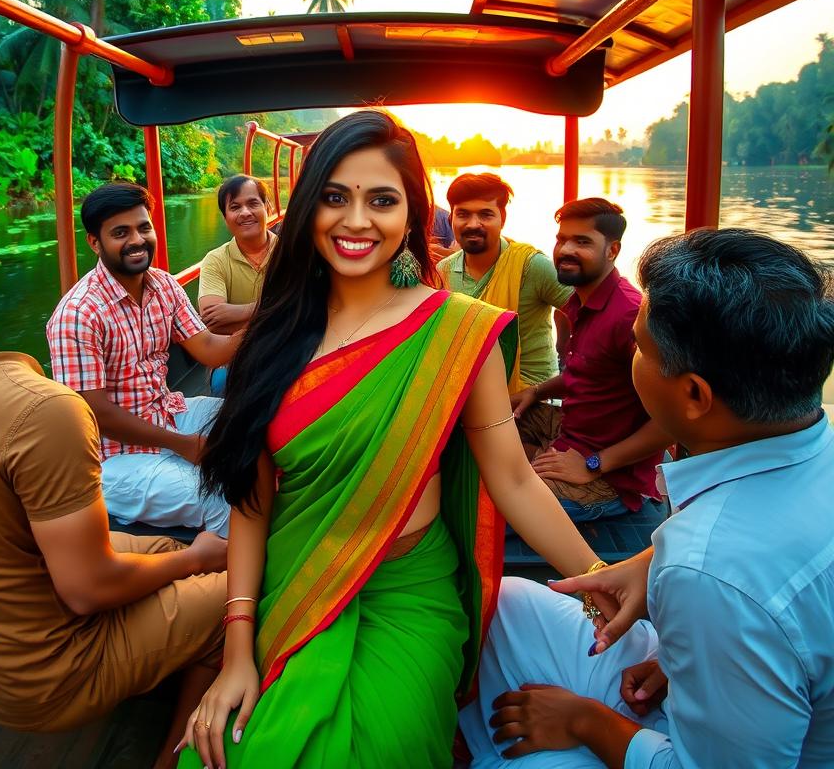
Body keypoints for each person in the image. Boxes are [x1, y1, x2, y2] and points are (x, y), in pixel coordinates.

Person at [176, 111, 615, 769]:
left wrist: (597, 576)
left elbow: (516, 480)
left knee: (381, 750)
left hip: (408, 594)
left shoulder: (455, 333)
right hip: (298, 583)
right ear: (306, 209)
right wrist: (236, 652)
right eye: (334, 197)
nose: (356, 221)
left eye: (381, 200)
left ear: (413, 215)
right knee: (236, 751)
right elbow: (251, 503)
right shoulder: (272, 337)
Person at [461, 228, 834, 768]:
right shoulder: (798, 454)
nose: (630, 353)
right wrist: (653, 572)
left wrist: (583, 721)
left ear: (693, 395)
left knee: (525, 758)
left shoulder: (711, 573)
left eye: (639, 346)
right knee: (509, 604)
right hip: (712, 670)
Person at [0, 352, 228, 769]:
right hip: (48, 677)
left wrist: (186, 557)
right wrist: (198, 558)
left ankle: (165, 645)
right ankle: (172, 758)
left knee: (164, 550)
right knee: (232, 593)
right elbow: (87, 590)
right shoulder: (54, 411)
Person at [47, 182, 241, 537]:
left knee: (252, 422)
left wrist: (271, 321)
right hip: (113, 459)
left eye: (143, 227)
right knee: (219, 495)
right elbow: (95, 415)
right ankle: (235, 579)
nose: (137, 240)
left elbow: (210, 348)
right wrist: (183, 445)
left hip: (166, 415)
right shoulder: (78, 315)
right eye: (121, 233)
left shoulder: (163, 286)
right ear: (95, 242)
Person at [511, 198, 668, 521]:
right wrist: (537, 391)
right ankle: (535, 460)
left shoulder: (629, 316)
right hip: (571, 430)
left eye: (582, 242)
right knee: (487, 420)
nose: (566, 249)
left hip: (607, 478)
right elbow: (590, 374)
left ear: (612, 251)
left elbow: (671, 422)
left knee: (482, 504)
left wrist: (593, 463)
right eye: (561, 239)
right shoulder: (580, 300)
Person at [438, 172, 572, 391]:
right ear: (451, 218)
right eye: (463, 214)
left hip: (531, 397)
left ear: (502, 219)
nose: (473, 224)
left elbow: (586, 313)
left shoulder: (531, 266)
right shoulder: (442, 272)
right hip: (467, 395)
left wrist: (566, 351)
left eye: (485, 215)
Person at [199, 176, 278, 393]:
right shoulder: (216, 260)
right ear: (226, 218)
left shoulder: (288, 252)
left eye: (253, 203)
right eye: (235, 207)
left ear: (267, 208)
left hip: (284, 346)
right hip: (234, 354)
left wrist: (240, 312)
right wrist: (278, 309)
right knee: (222, 384)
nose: (245, 212)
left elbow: (304, 307)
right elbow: (212, 321)